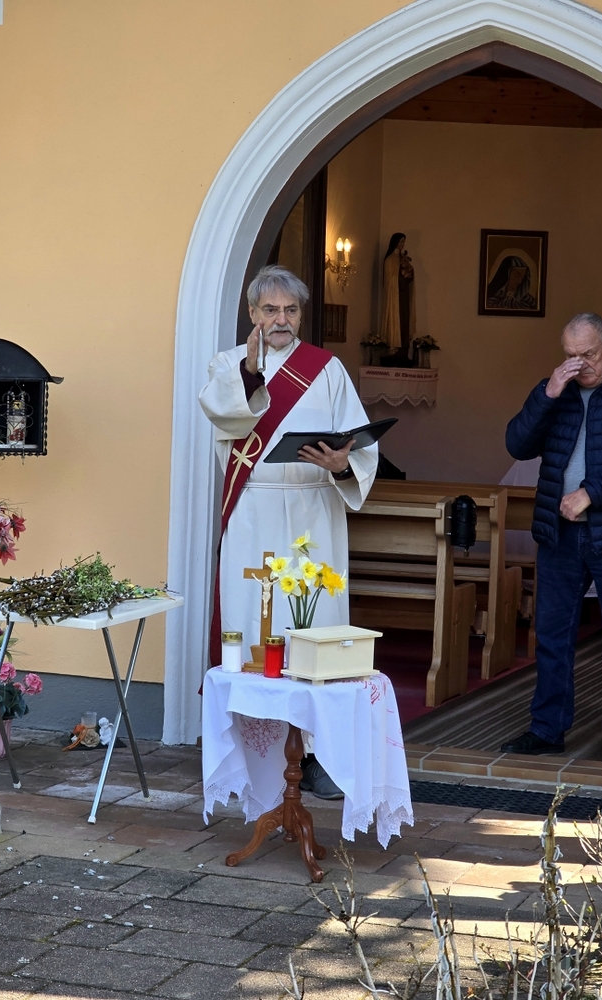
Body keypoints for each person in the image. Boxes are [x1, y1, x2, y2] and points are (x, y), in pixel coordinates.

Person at [199, 265, 379, 797]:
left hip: (313, 511)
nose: (281, 320)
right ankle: (247, 753)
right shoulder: (228, 365)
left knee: (314, 623)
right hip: (253, 510)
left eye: (291, 310)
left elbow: (359, 444)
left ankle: (316, 753)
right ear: (252, 313)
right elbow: (227, 417)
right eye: (271, 310)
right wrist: (252, 373)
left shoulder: (327, 369)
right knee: (251, 624)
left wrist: (342, 464)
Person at [501, 312, 602, 756]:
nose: (580, 364)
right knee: (552, 637)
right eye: (571, 355)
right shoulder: (556, 390)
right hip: (560, 535)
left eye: (588, 354)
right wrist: (548, 393)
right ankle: (547, 730)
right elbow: (517, 445)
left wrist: (590, 493)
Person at [381, 233, 416, 358]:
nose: (402, 244)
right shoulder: (390, 260)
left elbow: (410, 273)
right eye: (401, 242)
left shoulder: (403, 258)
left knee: (405, 320)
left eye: (404, 242)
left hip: (404, 294)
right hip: (395, 296)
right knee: (396, 319)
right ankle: (394, 349)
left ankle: (404, 351)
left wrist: (409, 275)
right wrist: (401, 277)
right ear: (395, 242)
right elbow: (390, 280)